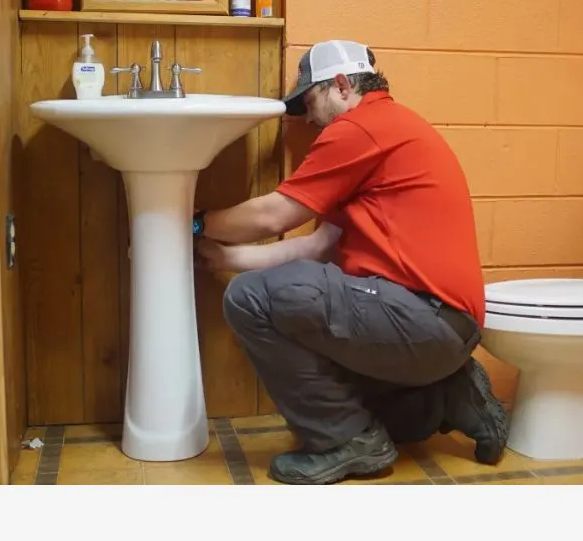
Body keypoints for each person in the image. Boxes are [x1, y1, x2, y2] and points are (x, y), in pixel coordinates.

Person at [193, 39, 510, 485]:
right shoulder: (389, 130)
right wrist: (230, 256)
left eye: (310, 101)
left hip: (421, 318)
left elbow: (275, 214)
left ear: (342, 85)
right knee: (359, 398)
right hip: (443, 327)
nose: (308, 119)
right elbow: (319, 247)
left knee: (249, 299)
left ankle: (350, 444)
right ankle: (448, 395)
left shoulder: (359, 129)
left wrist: (193, 223)